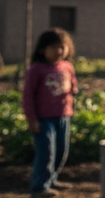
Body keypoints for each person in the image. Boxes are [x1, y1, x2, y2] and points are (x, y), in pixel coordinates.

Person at [22, 28, 78, 198]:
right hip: (43, 118)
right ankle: (39, 186)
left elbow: (73, 85)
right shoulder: (36, 70)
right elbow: (28, 96)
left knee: (61, 151)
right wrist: (32, 119)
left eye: (62, 47)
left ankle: (52, 179)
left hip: (63, 116)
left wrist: (74, 92)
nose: (59, 51)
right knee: (47, 152)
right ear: (42, 50)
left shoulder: (67, 67)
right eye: (53, 48)